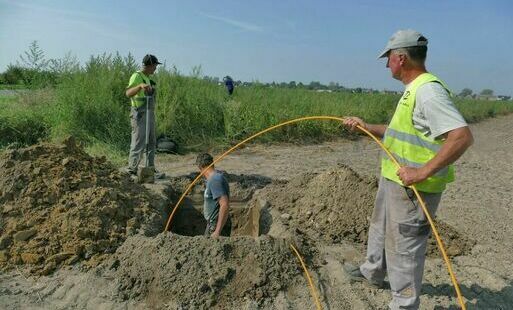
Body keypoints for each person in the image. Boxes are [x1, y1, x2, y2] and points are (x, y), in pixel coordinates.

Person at [342, 29, 474, 309]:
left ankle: (403, 304)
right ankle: (373, 271)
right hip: (394, 180)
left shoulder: (427, 91)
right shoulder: (412, 90)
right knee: (380, 229)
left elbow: (461, 137)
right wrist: (367, 127)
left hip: (415, 188)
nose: (386, 63)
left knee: (404, 249)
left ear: (401, 58)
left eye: (388, 57)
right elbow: (398, 133)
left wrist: (421, 172)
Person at [125, 54, 165, 178]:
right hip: (139, 113)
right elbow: (128, 93)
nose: (155, 69)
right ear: (150, 65)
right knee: (138, 142)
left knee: (151, 141)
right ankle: (132, 170)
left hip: (149, 111)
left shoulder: (147, 77)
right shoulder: (137, 76)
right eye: (155, 66)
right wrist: (139, 86)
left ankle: (150, 169)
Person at [196, 153, 231, 238]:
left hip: (216, 225)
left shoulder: (215, 180)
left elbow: (224, 205)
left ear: (200, 167)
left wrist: (217, 231)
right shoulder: (213, 179)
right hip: (213, 223)